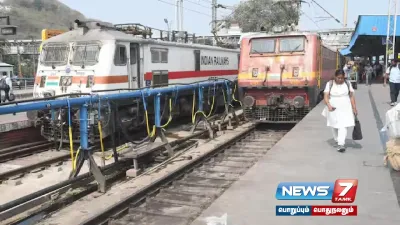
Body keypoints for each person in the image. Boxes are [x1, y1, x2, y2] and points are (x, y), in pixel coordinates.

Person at [322, 69, 357, 152]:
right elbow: (326, 95)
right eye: (338, 78)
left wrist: (354, 108)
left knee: (343, 125)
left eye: (342, 78)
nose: (340, 80)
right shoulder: (330, 84)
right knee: (334, 125)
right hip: (333, 106)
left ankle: (341, 144)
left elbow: (351, 96)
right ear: (335, 77)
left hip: (345, 107)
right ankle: (337, 140)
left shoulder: (348, 83)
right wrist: (329, 105)